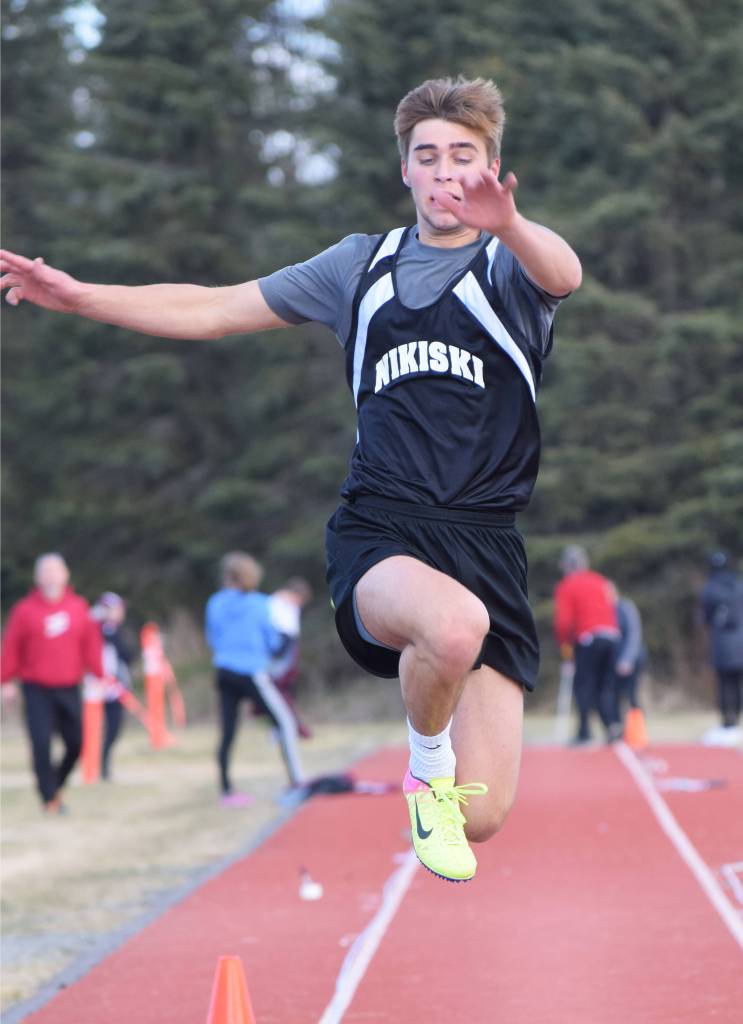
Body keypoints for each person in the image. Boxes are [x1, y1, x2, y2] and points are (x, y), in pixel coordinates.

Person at [0, 76, 582, 881]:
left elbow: (566, 274)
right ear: (403, 171)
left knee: (481, 817)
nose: (446, 173)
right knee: (450, 627)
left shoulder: (511, 266)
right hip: (381, 530)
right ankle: (423, 771)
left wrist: (511, 224)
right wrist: (83, 297)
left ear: (489, 167)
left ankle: (441, 759)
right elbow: (213, 307)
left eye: (463, 157)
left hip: (486, 541)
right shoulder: (358, 267)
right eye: (427, 156)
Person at [0, 554, 103, 812]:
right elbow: (12, 648)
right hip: (36, 688)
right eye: (45, 572)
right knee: (41, 741)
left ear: (65, 575)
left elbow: (91, 644)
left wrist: (98, 675)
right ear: (37, 577)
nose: (50, 577)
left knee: (76, 742)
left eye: (55, 571)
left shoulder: (78, 607)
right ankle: (49, 799)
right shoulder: (24, 611)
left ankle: (54, 784)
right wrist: (5, 680)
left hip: (68, 686)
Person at [205, 552, 304, 805]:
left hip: (224, 671)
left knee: (227, 732)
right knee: (285, 723)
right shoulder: (260, 603)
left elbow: (213, 639)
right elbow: (272, 642)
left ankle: (226, 791)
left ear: (227, 576)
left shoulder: (215, 602)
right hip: (251, 672)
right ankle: (297, 782)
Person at [554, 546, 621, 744]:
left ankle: (584, 731)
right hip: (611, 637)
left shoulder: (567, 585)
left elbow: (564, 622)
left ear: (566, 565)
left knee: (584, 685)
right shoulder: (600, 581)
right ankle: (611, 726)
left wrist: (565, 645)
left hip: (588, 639)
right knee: (605, 685)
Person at [700, 552, 743, 746]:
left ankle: (728, 724)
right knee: (736, 684)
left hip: (723, 644)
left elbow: (705, 617)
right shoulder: (738, 585)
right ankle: (736, 724)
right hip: (741, 642)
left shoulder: (710, 588)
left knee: (725, 684)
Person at [91, 591, 134, 779]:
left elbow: (127, 655)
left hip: (114, 688)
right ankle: (95, 766)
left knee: (114, 728)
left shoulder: (115, 630)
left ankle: (104, 765)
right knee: (92, 728)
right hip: (94, 688)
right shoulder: (95, 629)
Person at [267, 577, 313, 738]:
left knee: (286, 691)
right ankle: (281, 728)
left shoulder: (290, 606)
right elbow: (282, 633)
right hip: (280, 651)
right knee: (278, 691)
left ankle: (287, 726)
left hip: (288, 650)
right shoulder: (277, 603)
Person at [609, 584, 646, 723]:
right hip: (614, 660)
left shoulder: (625, 607)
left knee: (631, 694)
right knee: (613, 695)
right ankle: (618, 728)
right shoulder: (604, 610)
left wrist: (627, 659)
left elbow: (633, 634)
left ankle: (636, 731)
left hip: (631, 659)